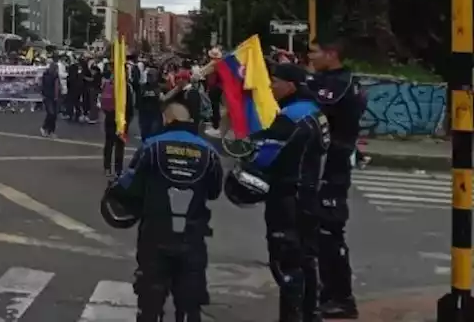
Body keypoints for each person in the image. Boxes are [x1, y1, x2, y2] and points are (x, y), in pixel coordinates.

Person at [101, 89, 222, 322]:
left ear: (167, 119)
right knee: (189, 304)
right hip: (192, 237)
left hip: (155, 236)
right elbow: (215, 191)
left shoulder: (152, 146)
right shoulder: (209, 152)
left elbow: (130, 187)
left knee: (150, 302)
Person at [228, 63, 329, 322]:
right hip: (310, 195)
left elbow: (265, 156)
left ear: (291, 86)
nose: (271, 86)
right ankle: (311, 314)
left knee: (286, 262)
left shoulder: (290, 117)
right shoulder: (315, 112)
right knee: (307, 259)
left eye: (275, 82)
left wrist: (247, 154)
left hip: (288, 198)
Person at [308, 40, 363, 319]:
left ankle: (342, 298)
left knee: (329, 232)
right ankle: (329, 292)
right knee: (320, 232)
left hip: (332, 168)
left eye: (314, 52)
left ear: (331, 54)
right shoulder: (335, 80)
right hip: (326, 167)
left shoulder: (340, 84)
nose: (310, 57)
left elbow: (317, 102)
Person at [39, 60, 61, 138]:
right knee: (51, 114)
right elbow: (57, 87)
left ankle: (50, 130)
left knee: (53, 114)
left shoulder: (46, 75)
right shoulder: (54, 76)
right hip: (50, 97)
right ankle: (45, 128)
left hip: (49, 96)